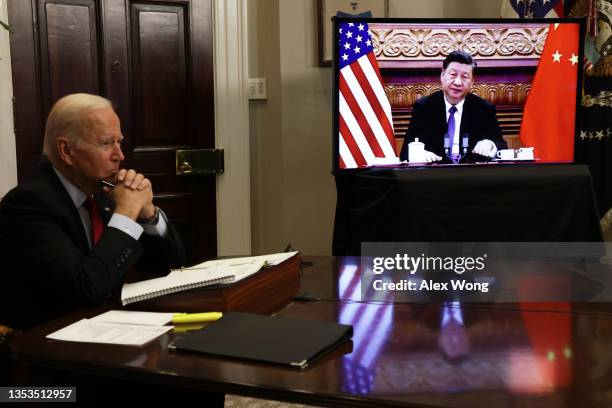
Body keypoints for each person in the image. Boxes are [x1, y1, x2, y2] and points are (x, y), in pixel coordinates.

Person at [0, 93, 186, 330]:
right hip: (50, 346)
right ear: (66, 150)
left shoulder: (101, 193)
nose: (120, 155)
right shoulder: (28, 204)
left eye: (119, 142)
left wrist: (148, 214)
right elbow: (85, 291)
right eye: (106, 143)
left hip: (110, 332)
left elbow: (172, 267)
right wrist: (127, 212)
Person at [399, 51, 507, 163]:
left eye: (465, 77)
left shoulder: (483, 109)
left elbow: (502, 147)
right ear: (442, 75)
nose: (458, 82)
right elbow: (405, 153)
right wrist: (416, 154)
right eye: (453, 75)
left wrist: (491, 145)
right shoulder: (424, 107)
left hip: (472, 176)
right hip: (433, 175)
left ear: (472, 82)